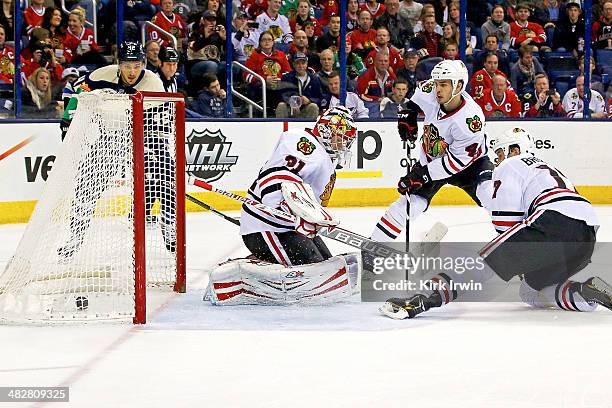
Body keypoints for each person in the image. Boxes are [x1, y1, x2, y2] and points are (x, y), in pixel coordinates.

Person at [380, 127, 609, 320]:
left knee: (483, 262)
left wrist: (508, 260)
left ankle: (423, 299)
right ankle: (584, 292)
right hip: (586, 234)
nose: (497, 160)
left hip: (553, 221)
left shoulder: (512, 164)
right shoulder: (545, 168)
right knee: (530, 291)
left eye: (499, 153)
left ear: (515, 150)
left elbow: (506, 225)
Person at [204, 106, 361, 304]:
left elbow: (312, 204)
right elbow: (277, 176)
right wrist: (283, 208)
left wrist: (311, 218)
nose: (344, 143)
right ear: (326, 131)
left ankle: (259, 262)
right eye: (341, 137)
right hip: (266, 226)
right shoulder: (302, 143)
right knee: (311, 271)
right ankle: (237, 277)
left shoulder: (323, 161)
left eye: (346, 139)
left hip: (286, 227)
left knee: (323, 264)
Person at [58, 41, 174, 257]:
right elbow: (73, 90)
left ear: (144, 64)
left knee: (167, 173)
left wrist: (150, 150)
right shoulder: (103, 74)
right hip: (111, 135)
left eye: (137, 65)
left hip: (147, 133)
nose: (132, 72)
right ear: (119, 64)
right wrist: (67, 120)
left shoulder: (154, 84)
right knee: (87, 182)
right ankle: (75, 237)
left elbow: (162, 128)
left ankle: (170, 230)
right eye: (127, 65)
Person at [370, 60, 494, 242]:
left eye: (443, 85)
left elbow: (456, 162)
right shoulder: (430, 90)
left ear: (459, 85)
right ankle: (373, 249)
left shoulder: (470, 120)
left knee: (490, 196)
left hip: (470, 165)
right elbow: (414, 103)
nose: (437, 89)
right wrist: (408, 115)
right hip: (433, 159)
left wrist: (422, 175)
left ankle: (522, 244)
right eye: (437, 83)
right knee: (409, 204)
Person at [275, 52, 323, 118]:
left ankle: (310, 128)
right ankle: (280, 127)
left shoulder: (314, 78)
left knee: (313, 106)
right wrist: (291, 101)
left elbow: (320, 98)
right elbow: (280, 95)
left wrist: (309, 100)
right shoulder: (286, 77)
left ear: (307, 64)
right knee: (281, 105)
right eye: (297, 63)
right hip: (290, 108)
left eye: (303, 63)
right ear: (293, 64)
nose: (300, 66)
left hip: (306, 108)